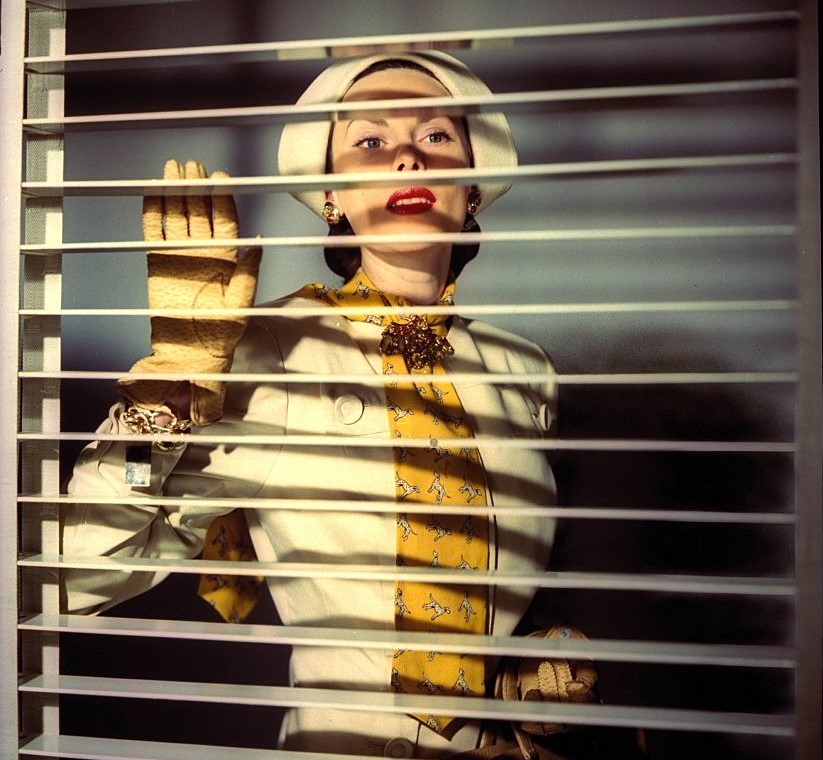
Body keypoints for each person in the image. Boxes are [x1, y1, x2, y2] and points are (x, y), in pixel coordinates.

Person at [62, 51, 558, 757]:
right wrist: (169, 388)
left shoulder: (524, 371)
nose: (409, 159)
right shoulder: (265, 350)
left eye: (437, 137)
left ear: (471, 186)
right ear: (332, 195)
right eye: (371, 141)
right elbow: (79, 570)